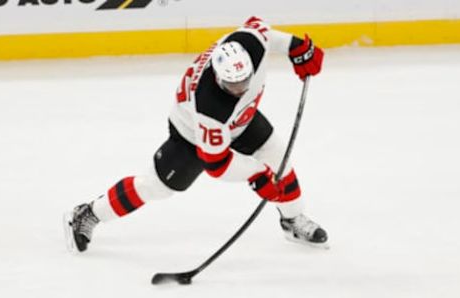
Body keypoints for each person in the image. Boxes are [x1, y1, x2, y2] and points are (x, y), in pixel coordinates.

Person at [64, 16, 328, 253]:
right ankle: (88, 213)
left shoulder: (250, 44)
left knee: (279, 159)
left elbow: (265, 32)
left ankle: (292, 219)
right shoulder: (210, 108)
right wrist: (257, 174)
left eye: (244, 81)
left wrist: (299, 48)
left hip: (241, 119)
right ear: (217, 76)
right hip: (191, 135)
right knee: (155, 187)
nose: (240, 88)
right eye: (232, 84)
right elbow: (217, 164)